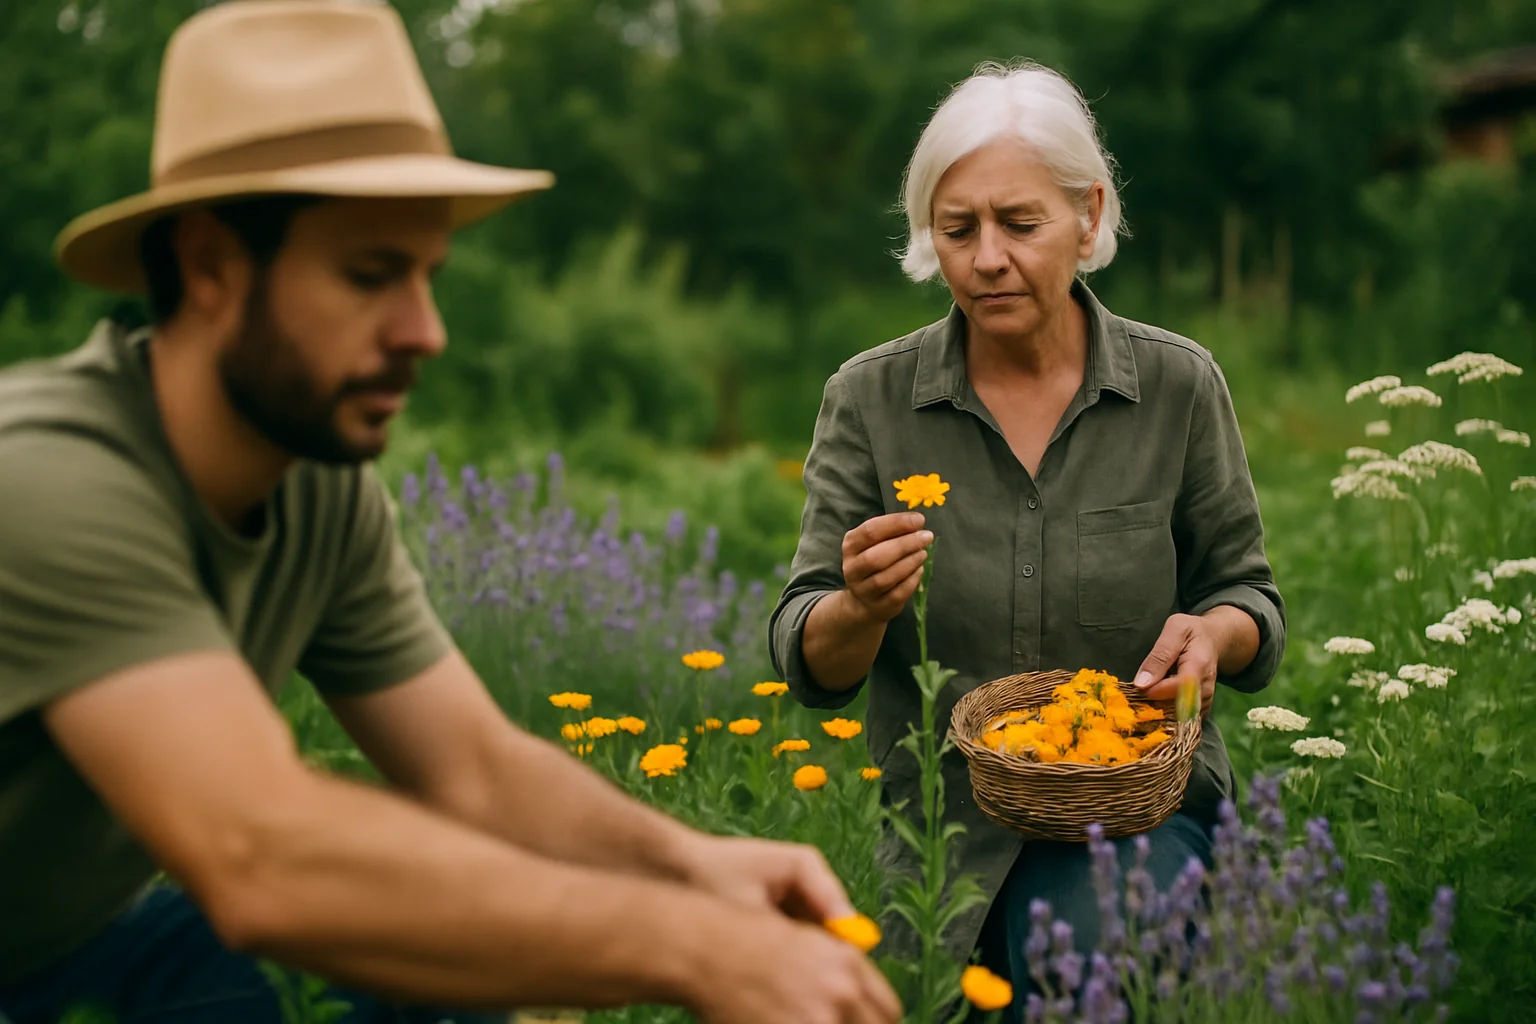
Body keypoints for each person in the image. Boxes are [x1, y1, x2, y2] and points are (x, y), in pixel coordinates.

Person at [0, 4, 902, 1023]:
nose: (424, 331)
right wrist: (692, 949)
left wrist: (694, 869)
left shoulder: (313, 479)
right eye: (369, 275)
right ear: (209, 265)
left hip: (90, 944)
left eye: (426, 277)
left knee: (430, 958)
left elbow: (473, 768)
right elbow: (260, 856)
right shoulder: (49, 477)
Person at [769, 61, 1286, 1017]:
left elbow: (1249, 596)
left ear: (1088, 218)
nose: (986, 258)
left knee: (1090, 965)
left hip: (1133, 813)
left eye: (1020, 223)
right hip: (941, 826)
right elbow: (808, 660)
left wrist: (1213, 637)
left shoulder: (1176, 387)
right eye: (957, 230)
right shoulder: (870, 400)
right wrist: (858, 606)